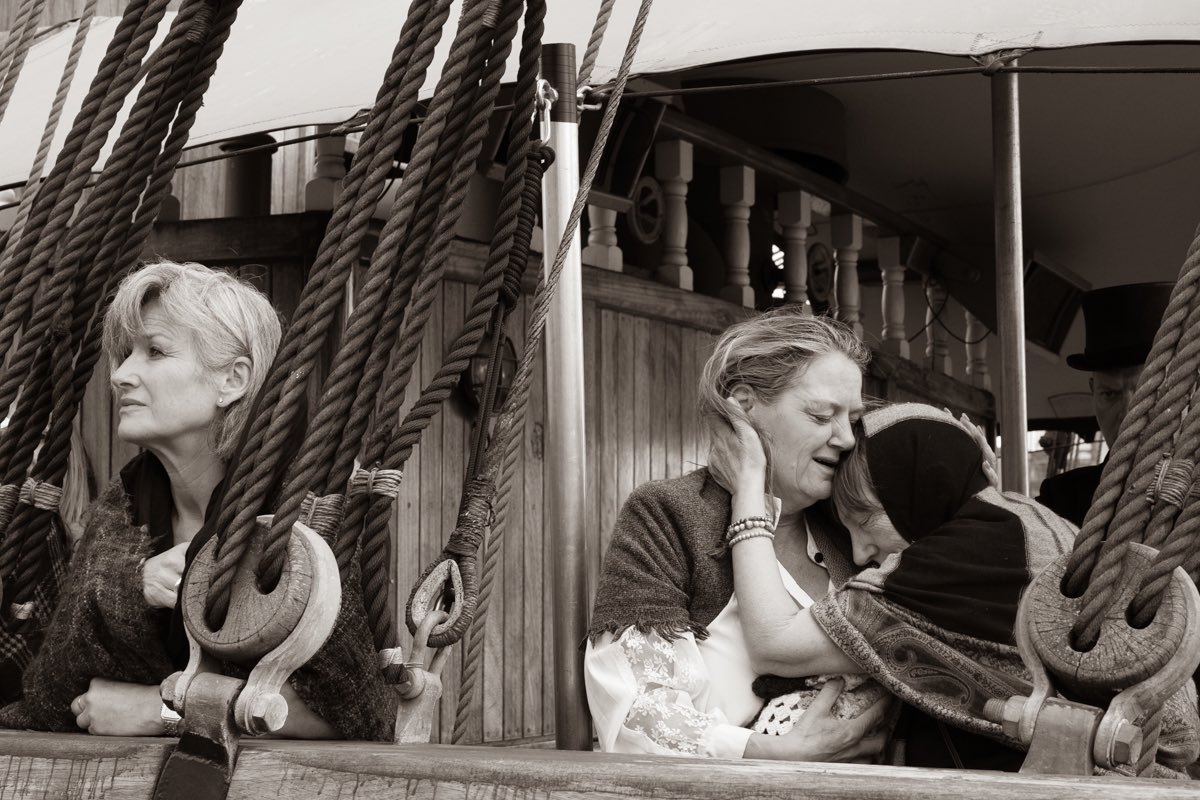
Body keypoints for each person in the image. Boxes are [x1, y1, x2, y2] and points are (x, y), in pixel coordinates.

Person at [0, 260, 395, 740]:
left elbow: (353, 709)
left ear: (233, 379)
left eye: (155, 352)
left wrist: (168, 709)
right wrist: (129, 588)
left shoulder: (310, 505)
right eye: (126, 354)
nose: (121, 374)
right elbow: (49, 696)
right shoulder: (121, 508)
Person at [715, 400, 1199, 775]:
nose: (860, 552)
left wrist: (749, 494)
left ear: (921, 489)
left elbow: (774, 644)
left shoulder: (944, 566)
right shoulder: (1021, 516)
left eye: (865, 520)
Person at [585, 306, 889, 761]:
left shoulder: (857, 531)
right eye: (822, 415)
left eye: (852, 419)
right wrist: (780, 754)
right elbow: (634, 710)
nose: (846, 438)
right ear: (745, 407)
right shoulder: (669, 514)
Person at [1037, 282, 1173, 526]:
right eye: (1110, 394)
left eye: (1145, 393)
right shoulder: (1060, 499)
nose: (1128, 414)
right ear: (1093, 392)